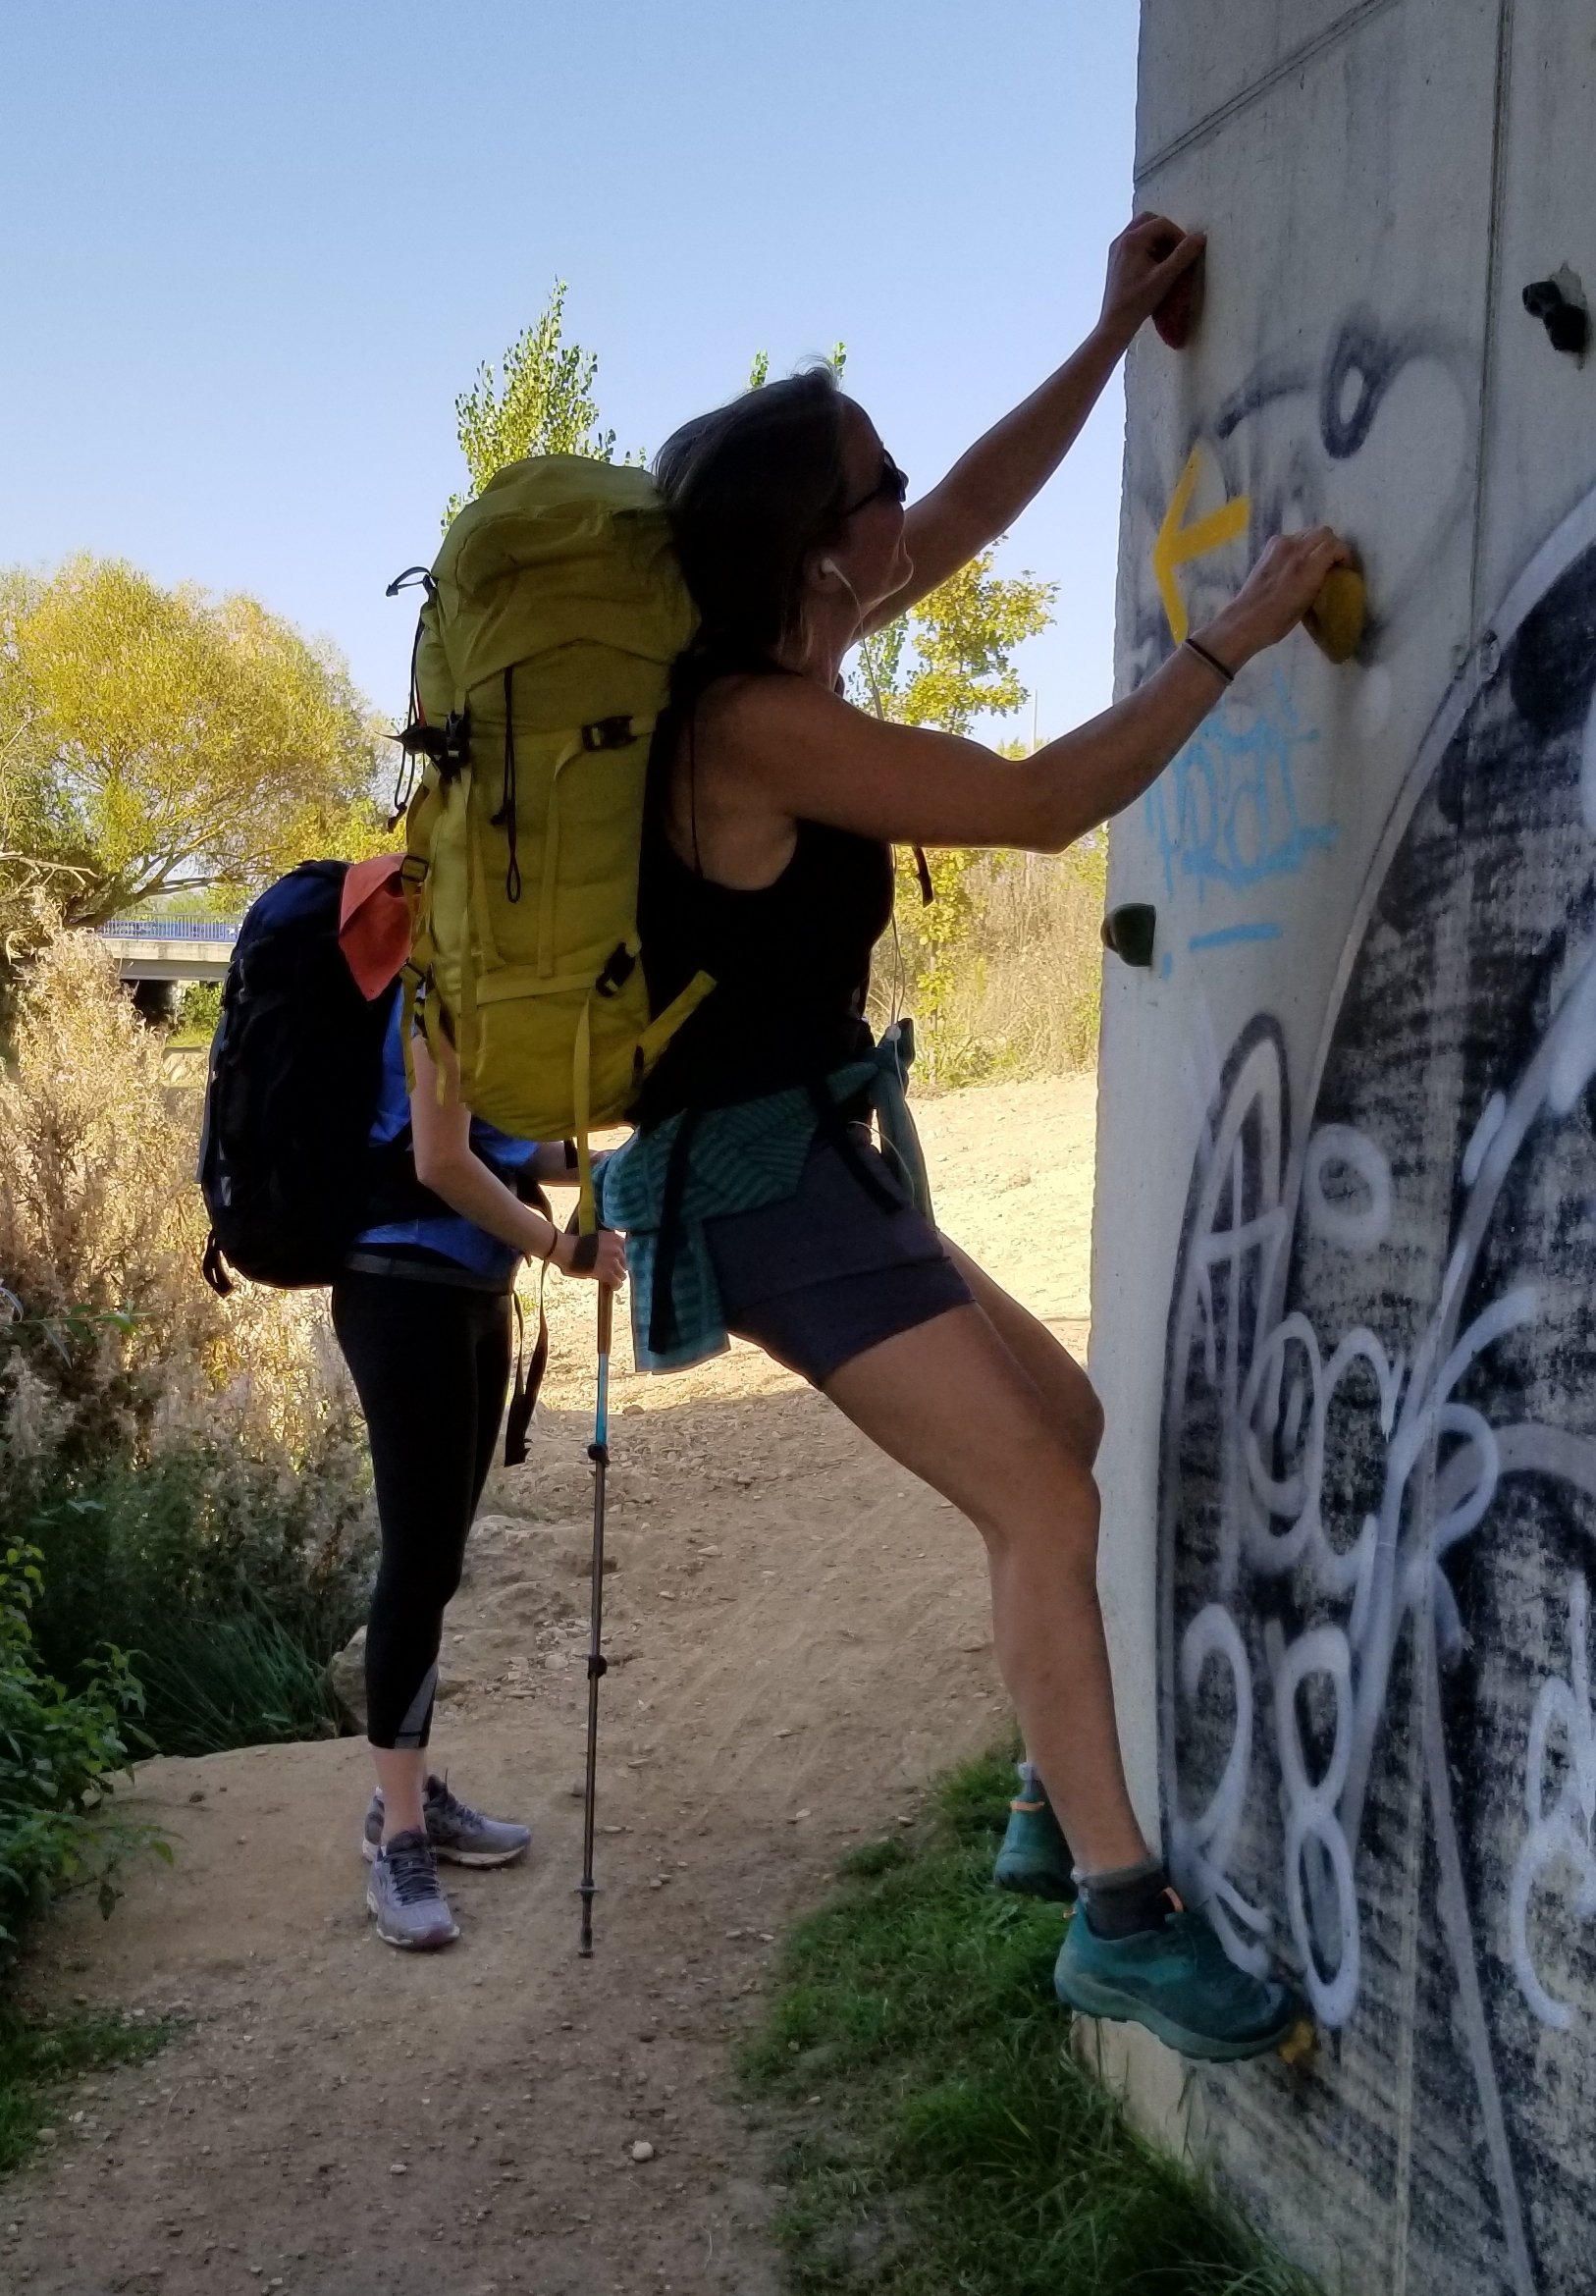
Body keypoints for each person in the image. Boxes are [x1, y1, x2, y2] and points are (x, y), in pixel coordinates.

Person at [599, 214, 1349, 2059]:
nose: (906, 504)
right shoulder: (752, 722)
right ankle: (1119, 1912)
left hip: (815, 1159)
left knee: (1060, 1433)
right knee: (1040, 1494)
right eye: (878, 485)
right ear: (815, 540)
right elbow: (1035, 803)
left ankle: (1040, 1793)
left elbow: (977, 510)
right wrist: (1235, 633)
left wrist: (1106, 338)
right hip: (761, 1186)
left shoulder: (790, 645)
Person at [332, 996, 626, 1949]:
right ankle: (398, 1836)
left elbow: (505, 1146)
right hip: (403, 1291)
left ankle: (406, 1792)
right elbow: (441, 1161)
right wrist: (564, 1247)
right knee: (418, 1562)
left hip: (470, 1292)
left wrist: (617, 1156)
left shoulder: (488, 990)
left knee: (439, 1559)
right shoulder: (438, 992)